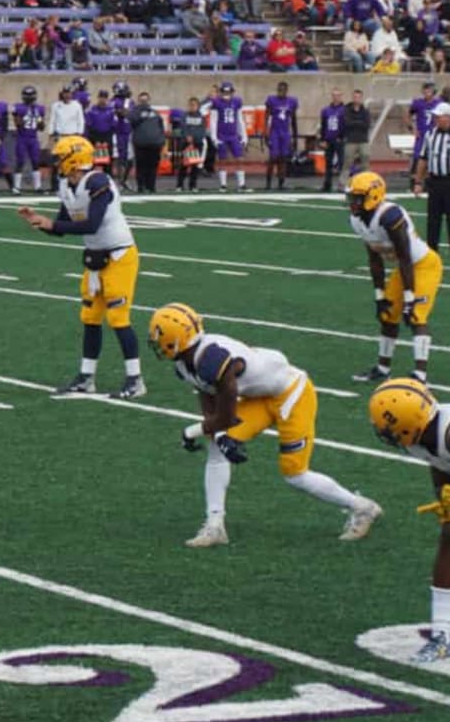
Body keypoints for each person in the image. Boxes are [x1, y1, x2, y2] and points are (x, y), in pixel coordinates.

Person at [149, 303, 381, 549]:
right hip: (260, 396)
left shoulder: (213, 360)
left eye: (158, 336)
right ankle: (215, 525)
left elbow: (224, 413)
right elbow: (210, 402)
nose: (155, 342)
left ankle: (363, 508)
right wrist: (214, 432)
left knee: (295, 473)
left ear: (176, 339)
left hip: (292, 392)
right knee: (217, 447)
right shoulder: (185, 363)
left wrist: (193, 431)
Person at [18, 136, 145, 399]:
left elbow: (91, 225)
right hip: (96, 258)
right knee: (90, 318)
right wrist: (39, 223)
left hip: (120, 256)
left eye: (60, 158)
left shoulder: (98, 182)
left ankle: (135, 380)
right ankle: (86, 378)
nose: (56, 163)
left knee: (118, 319)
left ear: (73, 160)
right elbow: (62, 228)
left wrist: (52, 225)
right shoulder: (66, 185)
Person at [367, 378, 450, 662]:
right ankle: (444, 634)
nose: (382, 430)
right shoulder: (422, 434)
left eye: (386, 424)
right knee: (448, 535)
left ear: (403, 424)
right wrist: (442, 497)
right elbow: (438, 462)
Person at [348, 171, 443, 385]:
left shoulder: (390, 217)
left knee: (416, 315)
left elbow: (406, 256)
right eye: (351, 197)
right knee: (388, 313)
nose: (352, 203)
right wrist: (379, 295)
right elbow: (374, 259)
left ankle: (420, 375)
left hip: (424, 265)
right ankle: (383, 369)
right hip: (404, 267)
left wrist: (409, 299)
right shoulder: (358, 220)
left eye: (357, 198)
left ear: (373, 196)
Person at [413, 102, 450, 251]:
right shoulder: (430, 134)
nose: (435, 119)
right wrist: (418, 181)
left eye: (438, 116)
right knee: (432, 221)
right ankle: (432, 254)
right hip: (434, 182)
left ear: (447, 117)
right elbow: (423, 158)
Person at [207, 81, 247, 193]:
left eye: (229, 92)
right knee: (222, 160)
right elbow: (213, 121)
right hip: (222, 135)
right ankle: (223, 185)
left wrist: (244, 135)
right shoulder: (216, 103)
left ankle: (241, 184)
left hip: (233, 135)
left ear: (232, 92)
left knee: (240, 159)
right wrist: (214, 137)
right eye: (225, 91)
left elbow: (240, 120)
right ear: (221, 92)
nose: (227, 94)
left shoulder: (237, 101)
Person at [263, 81, 299, 192]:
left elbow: (293, 119)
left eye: (283, 90)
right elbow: (267, 117)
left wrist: (295, 136)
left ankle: (281, 183)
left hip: (285, 132)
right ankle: (268, 183)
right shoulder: (272, 100)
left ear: (286, 90)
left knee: (283, 158)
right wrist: (265, 132)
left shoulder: (291, 102)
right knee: (273, 157)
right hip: (275, 131)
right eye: (279, 90)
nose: (281, 92)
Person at [129, 92, 166, 195]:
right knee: (141, 166)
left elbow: (161, 127)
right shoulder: (135, 112)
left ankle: (151, 186)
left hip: (154, 143)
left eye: (145, 100)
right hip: (141, 143)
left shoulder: (155, 113)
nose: (144, 103)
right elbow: (132, 121)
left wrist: (162, 141)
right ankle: (141, 186)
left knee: (152, 166)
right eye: (142, 101)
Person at [319, 89, 346, 193]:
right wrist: (322, 139)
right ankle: (327, 184)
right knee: (328, 163)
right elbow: (323, 125)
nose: (336, 97)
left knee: (341, 163)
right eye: (334, 95)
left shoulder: (344, 110)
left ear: (341, 96)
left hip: (339, 140)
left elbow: (345, 125)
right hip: (329, 139)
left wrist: (342, 137)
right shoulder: (326, 110)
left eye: (338, 95)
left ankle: (342, 185)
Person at [344, 89, 372, 172]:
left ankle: (366, 182)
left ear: (361, 98)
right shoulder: (346, 110)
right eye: (355, 97)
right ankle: (342, 183)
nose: (356, 99)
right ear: (352, 98)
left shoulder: (365, 111)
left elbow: (367, 125)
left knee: (365, 162)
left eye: (358, 97)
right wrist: (359, 122)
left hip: (363, 140)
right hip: (351, 140)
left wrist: (355, 122)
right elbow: (347, 123)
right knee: (347, 163)